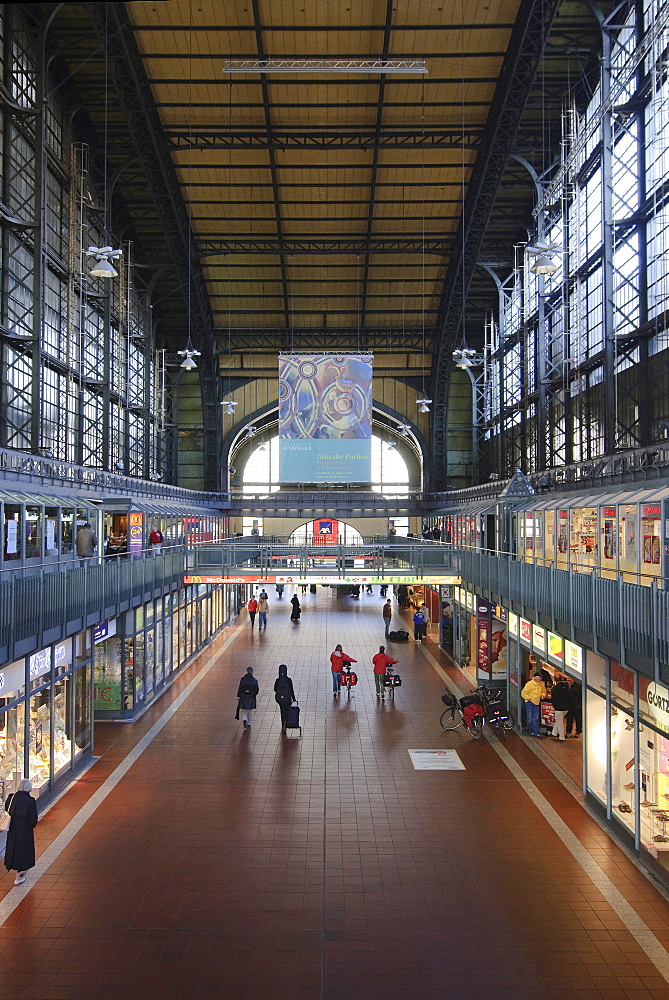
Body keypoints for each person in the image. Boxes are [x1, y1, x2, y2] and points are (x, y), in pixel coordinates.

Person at [3, 778, 38, 886]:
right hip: (25, 829)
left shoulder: (11, 797)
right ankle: (20, 875)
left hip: (13, 828)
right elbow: (33, 819)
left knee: (13, 849)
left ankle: (13, 867)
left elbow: (7, 809)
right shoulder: (30, 801)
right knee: (24, 851)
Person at [520, 672, 547, 737]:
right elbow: (523, 693)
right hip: (530, 702)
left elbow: (544, 691)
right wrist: (528, 698)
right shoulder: (529, 684)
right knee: (530, 718)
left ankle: (536, 732)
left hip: (537, 702)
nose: (540, 678)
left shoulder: (541, 684)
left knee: (536, 718)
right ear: (535, 677)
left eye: (541, 677)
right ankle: (531, 730)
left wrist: (543, 695)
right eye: (539, 677)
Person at [274, 663, 296, 730]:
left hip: (280, 699)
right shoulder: (288, 680)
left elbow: (275, 689)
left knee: (282, 710)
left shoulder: (278, 680)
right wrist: (294, 698)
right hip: (287, 699)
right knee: (287, 710)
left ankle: (283, 722)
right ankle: (287, 721)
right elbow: (291, 689)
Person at [550, 674, 570, 742]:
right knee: (558, 720)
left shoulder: (555, 688)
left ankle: (561, 737)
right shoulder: (566, 686)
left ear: (555, 679)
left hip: (558, 708)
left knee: (560, 722)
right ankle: (554, 733)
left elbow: (554, 698)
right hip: (566, 707)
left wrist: (554, 705)